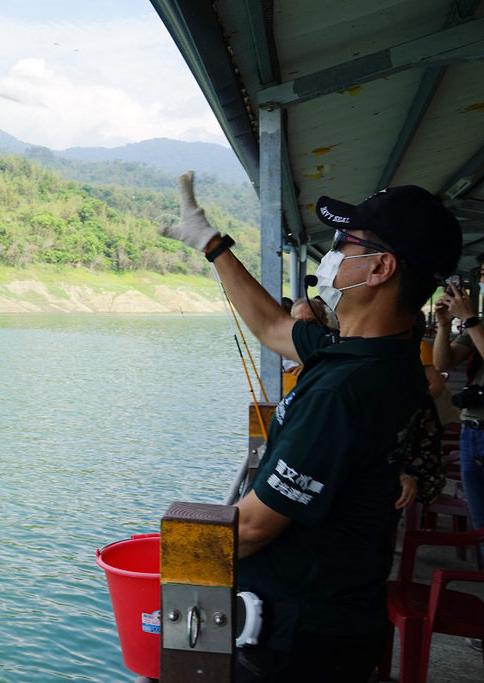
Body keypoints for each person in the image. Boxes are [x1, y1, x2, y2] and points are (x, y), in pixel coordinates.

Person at [162, 174, 462, 683]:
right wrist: (213, 246)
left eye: (346, 244)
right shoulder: (373, 354)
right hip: (342, 621)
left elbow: (254, 527)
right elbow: (271, 326)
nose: (332, 255)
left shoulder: (343, 393)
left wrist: (172, 557)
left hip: (297, 643)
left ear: (380, 269)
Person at [431, 256, 484, 555]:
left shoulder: (477, 323)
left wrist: (471, 321)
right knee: (480, 524)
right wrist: (443, 325)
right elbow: (443, 362)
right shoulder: (478, 324)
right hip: (473, 431)